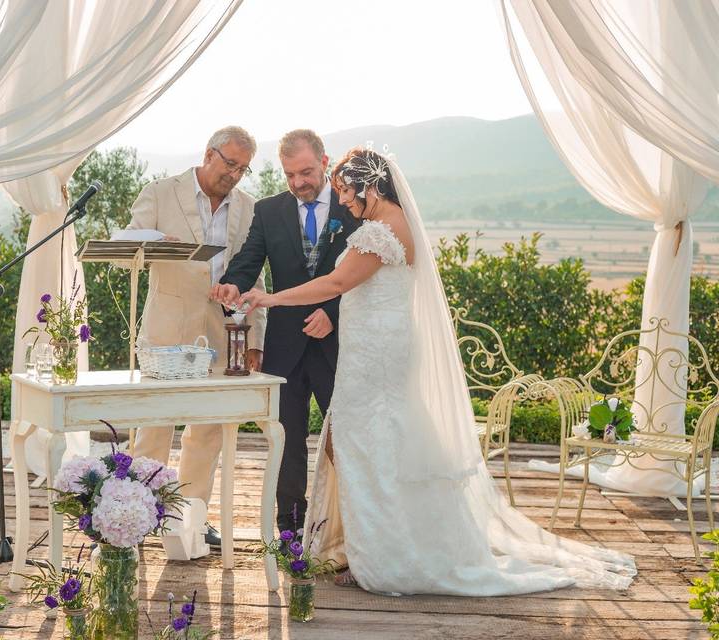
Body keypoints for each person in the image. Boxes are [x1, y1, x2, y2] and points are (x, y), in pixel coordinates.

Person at [238, 148, 636, 595]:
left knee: (368, 444)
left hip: (375, 355)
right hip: (381, 347)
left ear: (369, 186)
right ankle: (362, 542)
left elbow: (334, 284)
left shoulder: (378, 233)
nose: (345, 204)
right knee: (373, 440)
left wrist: (268, 299)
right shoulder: (396, 225)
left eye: (348, 194)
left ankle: (383, 551)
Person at [212, 129, 359, 534]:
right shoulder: (269, 210)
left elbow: (365, 278)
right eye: (289, 175)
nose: (298, 183)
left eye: (307, 172)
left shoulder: (354, 210)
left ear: (325, 163)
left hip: (339, 346)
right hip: (285, 346)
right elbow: (248, 260)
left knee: (345, 440)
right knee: (287, 440)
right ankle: (290, 528)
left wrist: (333, 312)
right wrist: (232, 286)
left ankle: (348, 529)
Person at [128, 126, 267, 547]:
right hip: (165, 330)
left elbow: (254, 273)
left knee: (207, 431)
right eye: (229, 164)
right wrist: (155, 242)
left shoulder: (248, 207)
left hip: (223, 334)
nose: (235, 175)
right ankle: (136, 513)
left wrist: (255, 338)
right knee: (154, 427)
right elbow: (127, 251)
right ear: (209, 154)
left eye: (243, 168)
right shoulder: (159, 191)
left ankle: (190, 519)